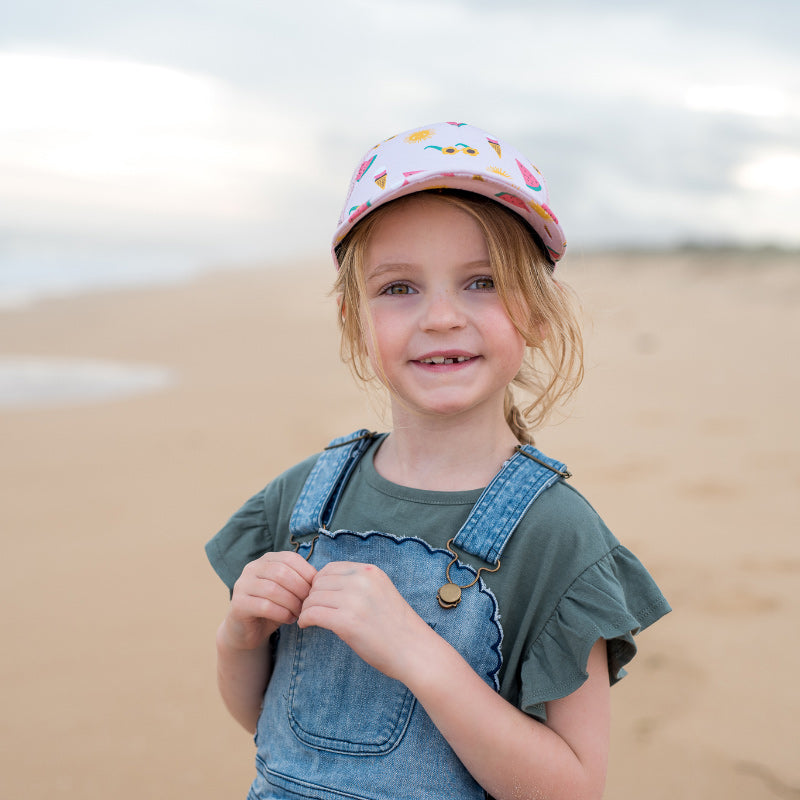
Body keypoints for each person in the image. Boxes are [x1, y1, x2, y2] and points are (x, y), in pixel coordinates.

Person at [206, 121, 670, 800]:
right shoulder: (304, 497)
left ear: (538, 313)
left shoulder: (555, 535)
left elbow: (573, 788)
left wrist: (418, 652)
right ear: (355, 321)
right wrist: (240, 635)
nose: (442, 317)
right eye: (399, 288)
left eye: (482, 281)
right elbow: (263, 720)